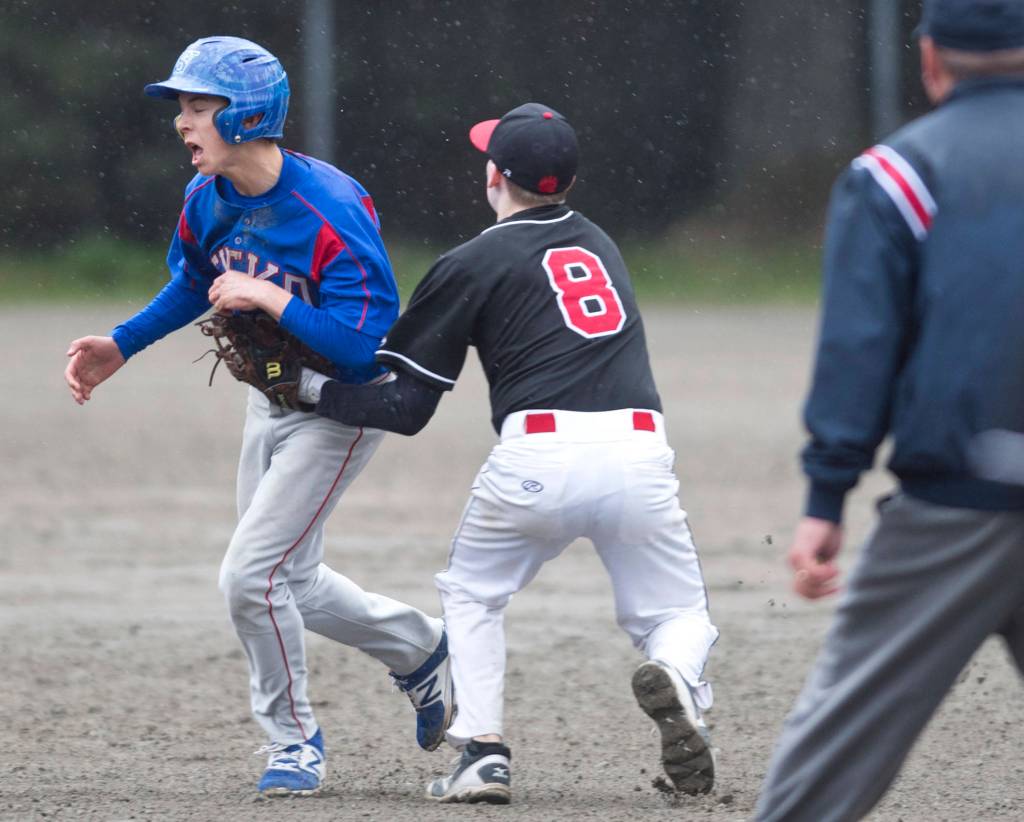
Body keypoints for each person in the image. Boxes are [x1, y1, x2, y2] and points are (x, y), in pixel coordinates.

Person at [62, 36, 454, 799]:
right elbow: (192, 283)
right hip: (269, 393)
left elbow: (365, 344)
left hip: (340, 407)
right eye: (181, 106)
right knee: (290, 581)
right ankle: (422, 650)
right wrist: (121, 345)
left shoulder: (328, 209)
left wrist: (272, 298)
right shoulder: (206, 198)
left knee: (250, 578)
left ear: (245, 114)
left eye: (199, 105)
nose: (184, 122)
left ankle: (294, 741)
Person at [300, 102, 719, 804]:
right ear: (568, 184)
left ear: (494, 176)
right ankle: (677, 673)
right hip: (640, 452)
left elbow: (404, 408)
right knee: (678, 614)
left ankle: (483, 753)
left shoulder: (472, 260)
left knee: (472, 594)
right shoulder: (602, 246)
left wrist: (308, 386)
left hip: (538, 458)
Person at [754, 1, 1024, 819]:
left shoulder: (897, 173)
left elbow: (859, 349)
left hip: (957, 501)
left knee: (831, 758)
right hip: (961, 491)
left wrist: (824, 498)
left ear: (931, 59)